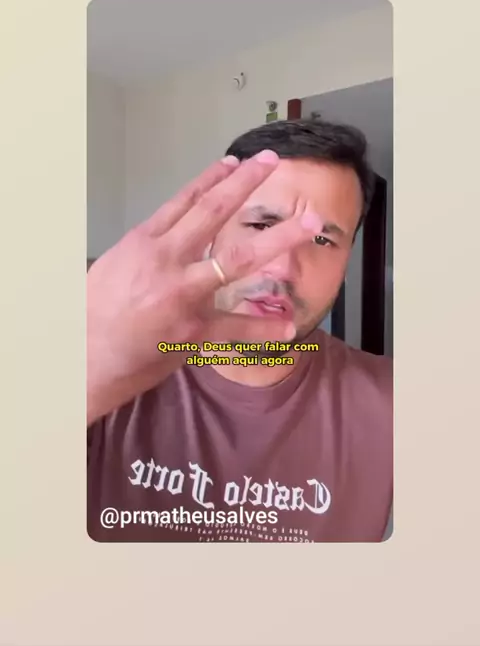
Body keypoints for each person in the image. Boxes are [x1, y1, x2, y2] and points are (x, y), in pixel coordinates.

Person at [87, 118, 393, 543]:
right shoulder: (110, 368)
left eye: (322, 240)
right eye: (261, 225)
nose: (283, 267)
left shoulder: (392, 400)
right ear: (213, 233)